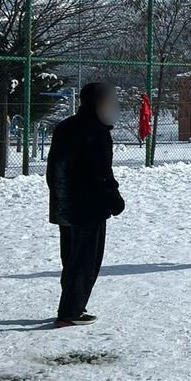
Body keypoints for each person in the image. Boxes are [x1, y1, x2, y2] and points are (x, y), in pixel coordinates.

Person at [47, 82, 125, 328]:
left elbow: (54, 171)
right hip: (88, 208)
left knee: (70, 259)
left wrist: (60, 200)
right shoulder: (96, 132)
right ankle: (70, 311)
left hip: (65, 206)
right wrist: (114, 200)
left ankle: (71, 305)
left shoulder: (65, 127)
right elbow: (99, 172)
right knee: (85, 261)